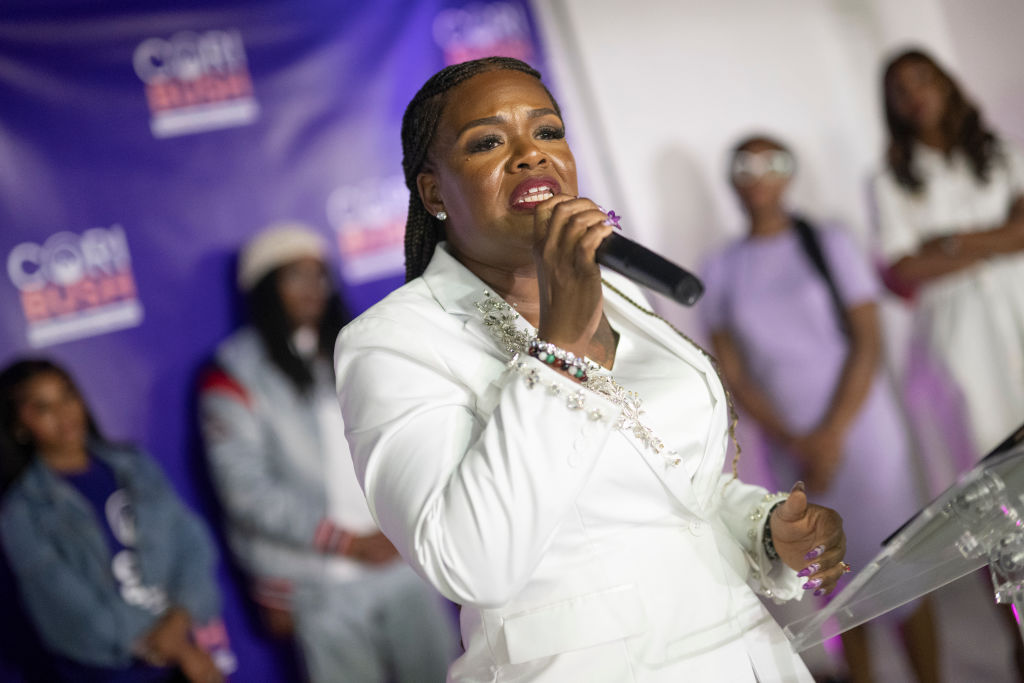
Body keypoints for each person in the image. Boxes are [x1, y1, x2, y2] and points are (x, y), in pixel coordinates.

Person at [334, 56, 848, 682]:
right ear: (435, 192)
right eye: (489, 142)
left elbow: (675, 485)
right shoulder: (394, 341)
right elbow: (472, 563)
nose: (531, 155)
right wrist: (562, 350)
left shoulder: (616, 294)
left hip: (746, 655)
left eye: (547, 132)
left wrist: (767, 527)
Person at [700, 135, 938, 683]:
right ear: (732, 177)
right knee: (829, 578)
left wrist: (830, 436)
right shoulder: (721, 266)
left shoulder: (828, 241)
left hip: (862, 432)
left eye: (772, 162)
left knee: (900, 570)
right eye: (745, 163)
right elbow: (731, 370)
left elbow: (868, 340)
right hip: (791, 443)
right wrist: (796, 440)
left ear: (789, 174)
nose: (758, 173)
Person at [198, 223, 457, 683]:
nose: (312, 288)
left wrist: (408, 521)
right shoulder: (234, 373)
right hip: (318, 581)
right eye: (294, 276)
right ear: (264, 288)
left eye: (319, 275)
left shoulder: (358, 346)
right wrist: (347, 543)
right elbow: (245, 492)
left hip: (398, 558)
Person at [0, 358, 225, 683]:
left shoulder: (134, 465)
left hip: (178, 654)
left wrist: (180, 621)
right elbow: (66, 607)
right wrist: (173, 647)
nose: (64, 413)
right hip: (108, 671)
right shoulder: (20, 511)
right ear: (19, 427)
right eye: (43, 407)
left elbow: (192, 543)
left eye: (67, 396)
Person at [873, 48, 1024, 489]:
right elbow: (903, 270)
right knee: (988, 452)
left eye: (921, 79)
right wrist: (1000, 236)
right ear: (891, 107)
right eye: (899, 91)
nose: (913, 95)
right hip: (956, 330)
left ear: (944, 83)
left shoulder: (1002, 154)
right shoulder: (889, 181)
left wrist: (949, 243)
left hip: (1017, 303)